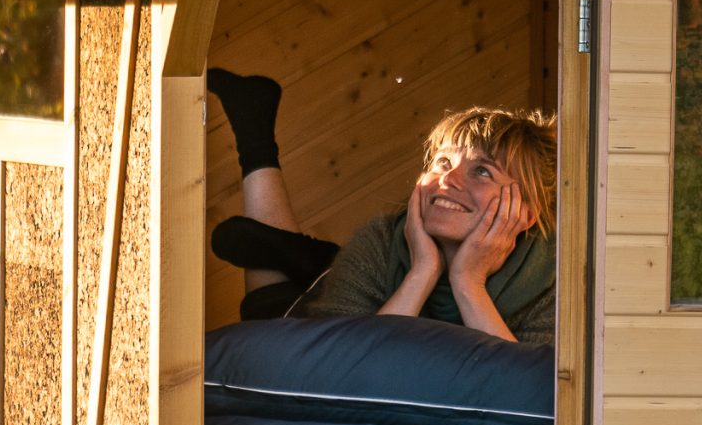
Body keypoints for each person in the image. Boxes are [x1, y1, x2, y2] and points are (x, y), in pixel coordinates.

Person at [207, 69, 557, 345]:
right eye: (443, 162)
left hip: (346, 291)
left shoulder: (552, 283)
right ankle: (256, 142)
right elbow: (346, 367)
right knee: (267, 319)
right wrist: (422, 271)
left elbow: (524, 396)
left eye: (482, 171)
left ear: (526, 212)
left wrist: (468, 283)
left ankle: (309, 255)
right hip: (310, 313)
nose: (449, 179)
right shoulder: (381, 242)